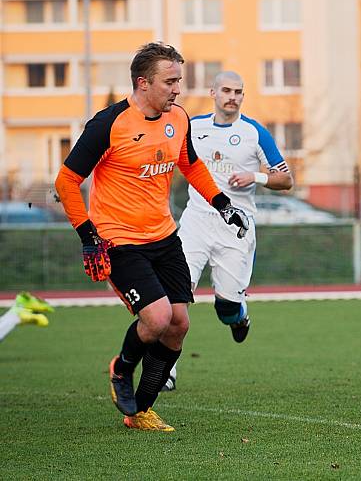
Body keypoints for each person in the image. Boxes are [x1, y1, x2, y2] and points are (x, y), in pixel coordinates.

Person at [54, 42, 249, 432]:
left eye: (179, 80)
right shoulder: (108, 124)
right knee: (157, 318)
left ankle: (139, 411)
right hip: (119, 239)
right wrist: (88, 235)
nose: (178, 89)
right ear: (143, 83)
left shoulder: (178, 117)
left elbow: (189, 164)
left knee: (179, 325)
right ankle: (122, 368)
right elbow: (66, 180)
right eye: (170, 81)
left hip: (164, 235)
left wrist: (222, 203)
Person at [162, 70, 293, 392]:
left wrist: (256, 177)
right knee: (173, 300)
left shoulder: (254, 133)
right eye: (227, 90)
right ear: (213, 92)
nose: (232, 96)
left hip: (236, 227)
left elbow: (286, 179)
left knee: (226, 308)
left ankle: (239, 315)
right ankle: (165, 371)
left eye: (238, 91)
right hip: (196, 222)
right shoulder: (193, 127)